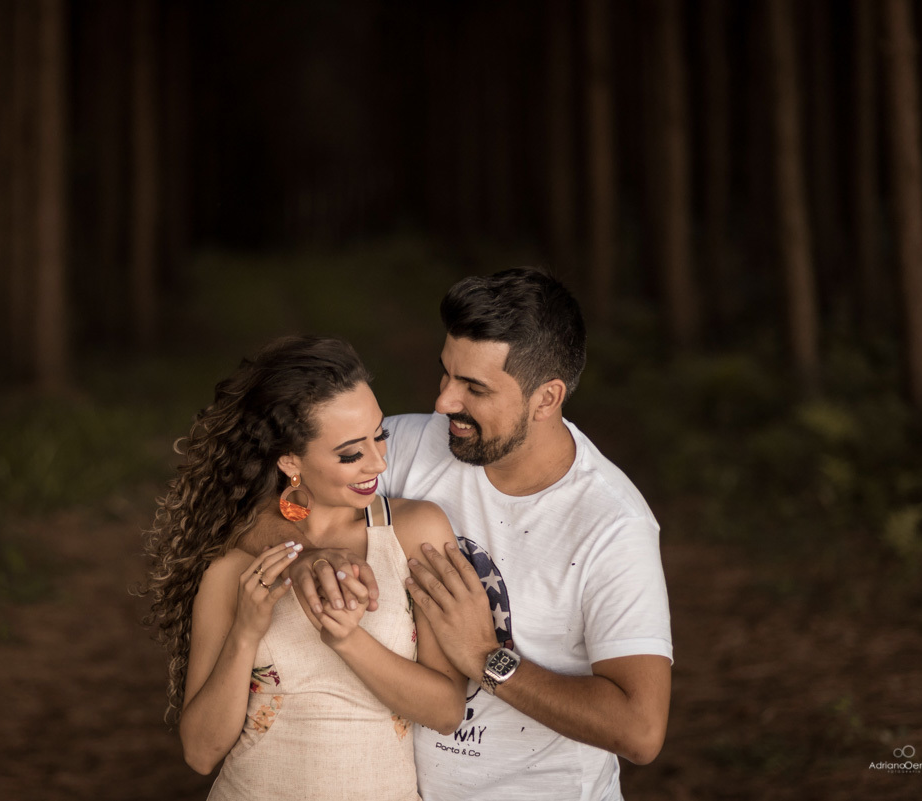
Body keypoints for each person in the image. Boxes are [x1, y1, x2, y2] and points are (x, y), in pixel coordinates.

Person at [285, 269, 673, 800]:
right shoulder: (406, 445)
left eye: (475, 388)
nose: (444, 402)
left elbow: (640, 729)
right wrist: (303, 550)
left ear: (547, 397)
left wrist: (488, 658)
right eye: (446, 374)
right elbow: (277, 495)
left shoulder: (611, 526)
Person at [140, 336, 466, 801]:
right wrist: (245, 635)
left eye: (380, 435)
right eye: (351, 453)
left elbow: (447, 710)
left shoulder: (415, 531)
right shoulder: (235, 564)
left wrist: (348, 640)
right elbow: (200, 752)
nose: (378, 462)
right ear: (290, 460)